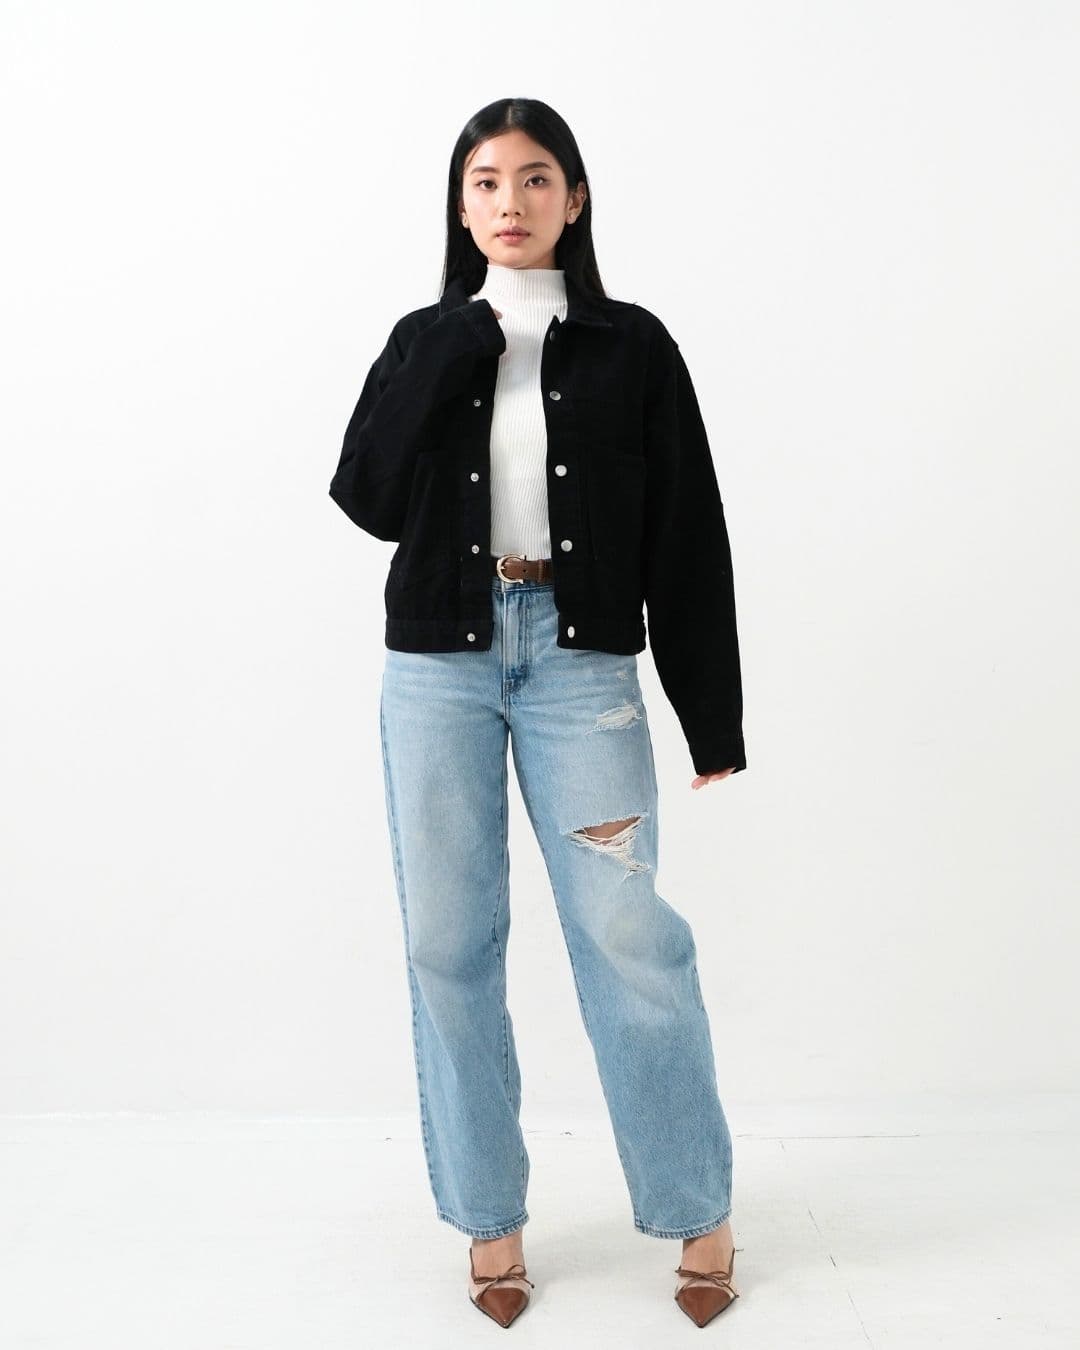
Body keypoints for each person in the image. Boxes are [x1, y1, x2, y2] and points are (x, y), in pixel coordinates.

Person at [329, 97, 746, 1329]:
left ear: (575, 197)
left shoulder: (633, 346)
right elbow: (365, 496)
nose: (509, 201)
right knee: (447, 943)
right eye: (485, 182)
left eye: (534, 178)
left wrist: (711, 717)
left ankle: (697, 1208)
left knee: (629, 937)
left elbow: (688, 530)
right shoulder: (425, 338)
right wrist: (458, 344)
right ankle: (489, 1222)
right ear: (460, 206)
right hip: (438, 669)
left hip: (581, 666)